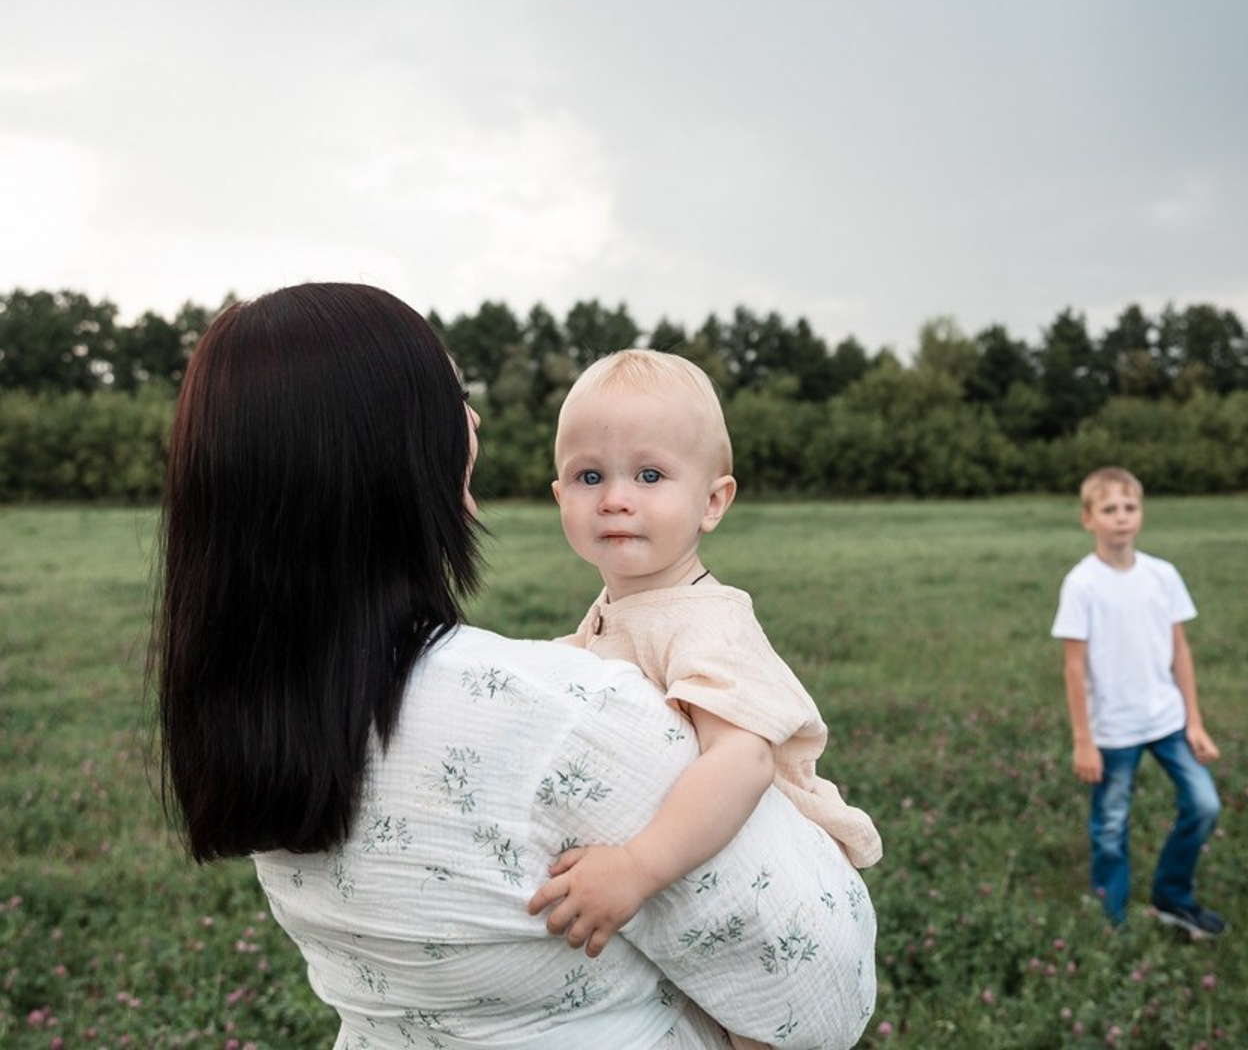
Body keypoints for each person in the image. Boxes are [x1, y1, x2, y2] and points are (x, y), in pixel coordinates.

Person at [151, 283, 876, 1050]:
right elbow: (821, 994)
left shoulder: (260, 719)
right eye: (451, 394)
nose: (472, 419)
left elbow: (747, 753)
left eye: (649, 476)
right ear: (389, 449)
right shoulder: (565, 720)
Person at [527, 350, 882, 991]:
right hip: (717, 891)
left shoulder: (705, 622)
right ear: (559, 497)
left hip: (785, 900)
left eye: (650, 474)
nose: (614, 499)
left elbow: (740, 760)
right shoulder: (624, 609)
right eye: (588, 477)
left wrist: (635, 867)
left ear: (712, 501)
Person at [1050, 465, 1224, 936]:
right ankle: (1111, 920)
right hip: (1112, 731)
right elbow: (1073, 667)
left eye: (1130, 507)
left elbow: (1179, 651)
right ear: (1088, 518)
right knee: (1110, 827)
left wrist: (1195, 722)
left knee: (1205, 805)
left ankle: (1173, 897)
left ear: (1141, 513)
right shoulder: (1082, 583)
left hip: (1167, 720)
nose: (1121, 517)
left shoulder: (1162, 575)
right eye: (1109, 509)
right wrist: (1083, 740)